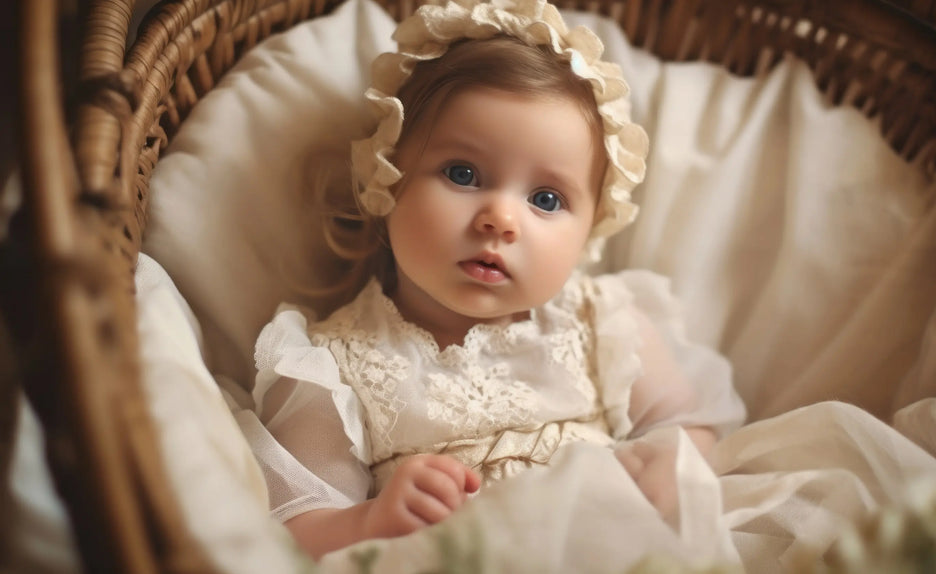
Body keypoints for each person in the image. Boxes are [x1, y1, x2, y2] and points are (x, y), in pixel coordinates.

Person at [248, 0, 746, 560]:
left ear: (590, 229)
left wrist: (664, 471)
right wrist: (370, 519)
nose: (500, 220)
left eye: (546, 199)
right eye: (463, 174)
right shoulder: (332, 365)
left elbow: (693, 425)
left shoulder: (601, 322)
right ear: (386, 180)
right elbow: (299, 527)